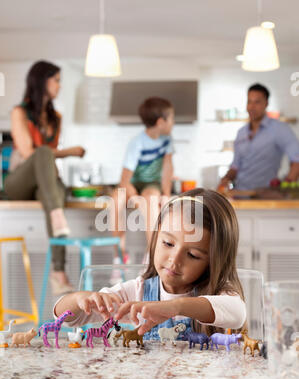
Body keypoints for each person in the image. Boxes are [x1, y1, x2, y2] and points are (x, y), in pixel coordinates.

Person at [54, 189, 247, 339]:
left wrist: (176, 307)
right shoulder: (137, 292)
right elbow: (67, 318)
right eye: (168, 243)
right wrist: (79, 299)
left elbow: (238, 313)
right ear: (155, 238)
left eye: (193, 255)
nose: (174, 259)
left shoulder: (218, 294)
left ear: (214, 261)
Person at [4, 60, 86, 294]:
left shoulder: (55, 118)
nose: (60, 86)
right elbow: (30, 152)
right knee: (42, 155)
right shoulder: (19, 112)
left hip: (45, 185)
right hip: (19, 181)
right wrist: (70, 152)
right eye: (57, 80)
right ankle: (58, 216)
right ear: (42, 81)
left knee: (55, 195)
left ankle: (58, 272)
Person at [109, 97, 174, 282]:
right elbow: (124, 179)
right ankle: (118, 257)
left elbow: (168, 169)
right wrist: (134, 197)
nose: (173, 123)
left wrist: (166, 193)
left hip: (151, 184)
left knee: (152, 199)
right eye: (171, 119)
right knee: (116, 200)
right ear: (161, 122)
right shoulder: (137, 143)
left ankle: (151, 255)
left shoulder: (167, 141)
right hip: (130, 184)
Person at [218, 83, 299, 191]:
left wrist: (286, 188)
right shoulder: (241, 133)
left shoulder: (280, 129)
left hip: (267, 196)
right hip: (240, 195)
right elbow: (235, 166)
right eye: (249, 102)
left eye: (257, 102)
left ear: (266, 103)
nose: (252, 107)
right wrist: (226, 179)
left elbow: (297, 159)